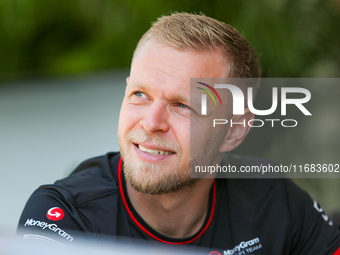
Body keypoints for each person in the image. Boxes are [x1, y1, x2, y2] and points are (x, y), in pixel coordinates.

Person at [17, 12, 340, 254]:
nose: (150, 122)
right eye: (140, 95)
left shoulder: (271, 197)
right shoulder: (65, 217)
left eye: (183, 105)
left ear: (234, 130)